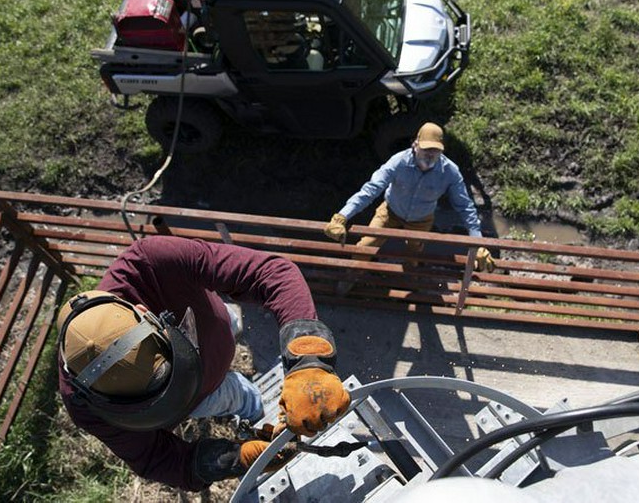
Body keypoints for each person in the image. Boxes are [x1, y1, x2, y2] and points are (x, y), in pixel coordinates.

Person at [56, 235, 350, 492]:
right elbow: (158, 459)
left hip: (216, 328)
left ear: (146, 314)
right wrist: (237, 458)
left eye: (167, 378)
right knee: (239, 395)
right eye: (156, 399)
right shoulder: (84, 407)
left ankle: (233, 342)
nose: (171, 394)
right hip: (206, 396)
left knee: (228, 322)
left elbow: (271, 273)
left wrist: (308, 360)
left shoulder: (152, 261)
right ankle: (254, 410)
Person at [324, 122, 494, 271]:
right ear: (415, 145)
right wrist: (342, 216)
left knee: (413, 255)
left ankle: (410, 279)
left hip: (421, 219)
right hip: (390, 212)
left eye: (435, 150)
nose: (430, 153)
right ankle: (353, 275)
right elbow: (371, 189)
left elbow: (465, 207)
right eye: (426, 148)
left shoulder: (450, 172)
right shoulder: (398, 162)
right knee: (365, 246)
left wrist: (477, 243)